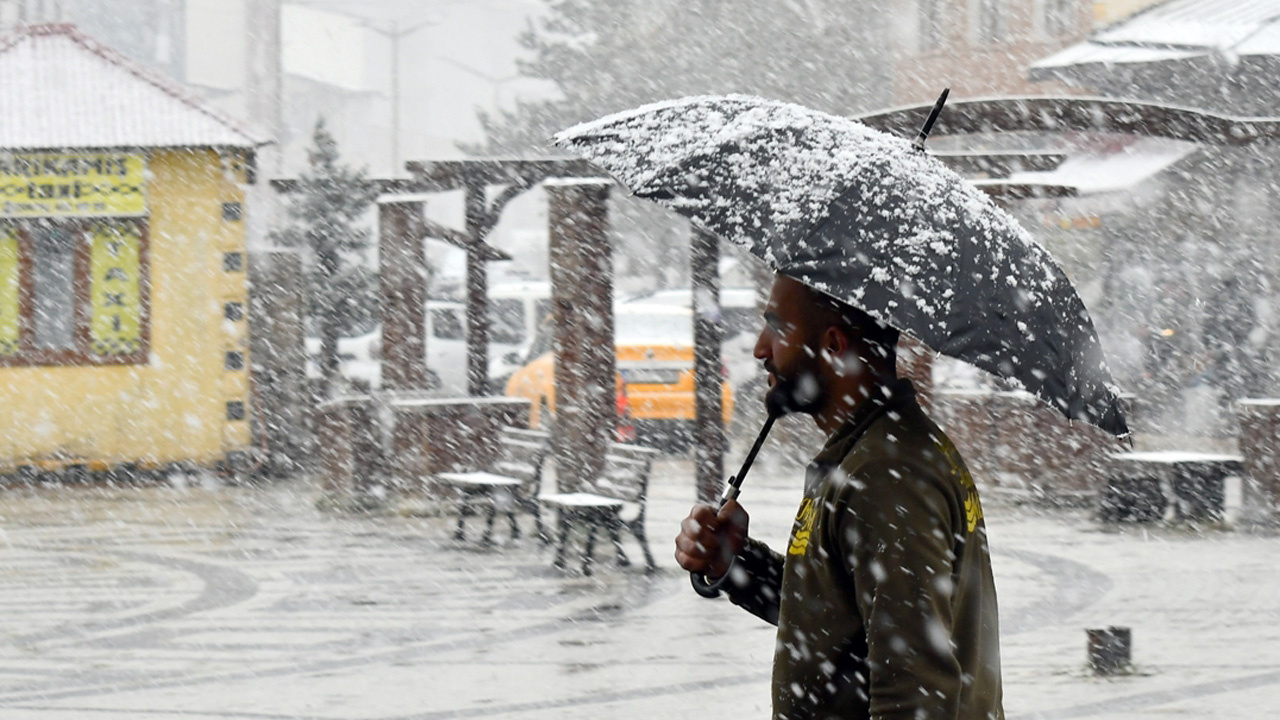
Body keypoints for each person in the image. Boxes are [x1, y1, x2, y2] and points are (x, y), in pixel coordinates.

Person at [675, 274, 1003, 720]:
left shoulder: (887, 477)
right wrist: (735, 563)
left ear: (832, 345)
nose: (760, 347)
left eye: (778, 327)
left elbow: (913, 697)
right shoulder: (866, 455)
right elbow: (837, 621)